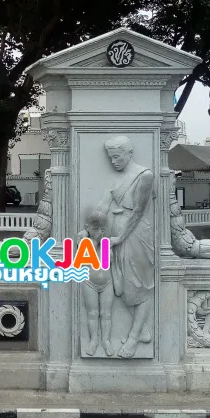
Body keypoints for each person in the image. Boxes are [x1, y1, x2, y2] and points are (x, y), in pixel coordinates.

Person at [96, 136, 155, 358]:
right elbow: (103, 206)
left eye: (117, 156)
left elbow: (139, 212)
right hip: (118, 233)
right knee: (120, 285)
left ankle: (133, 338)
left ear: (129, 153)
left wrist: (120, 237)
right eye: (111, 158)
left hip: (136, 234)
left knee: (138, 286)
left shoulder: (145, 175)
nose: (113, 162)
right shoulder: (118, 179)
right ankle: (142, 331)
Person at [77, 209, 114, 357]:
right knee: (92, 313)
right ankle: (94, 340)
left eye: (102, 229)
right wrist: (89, 238)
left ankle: (106, 340)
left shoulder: (105, 243)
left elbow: (108, 260)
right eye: (95, 229)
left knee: (106, 314)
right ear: (87, 228)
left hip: (107, 283)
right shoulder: (85, 242)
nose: (99, 232)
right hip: (89, 282)